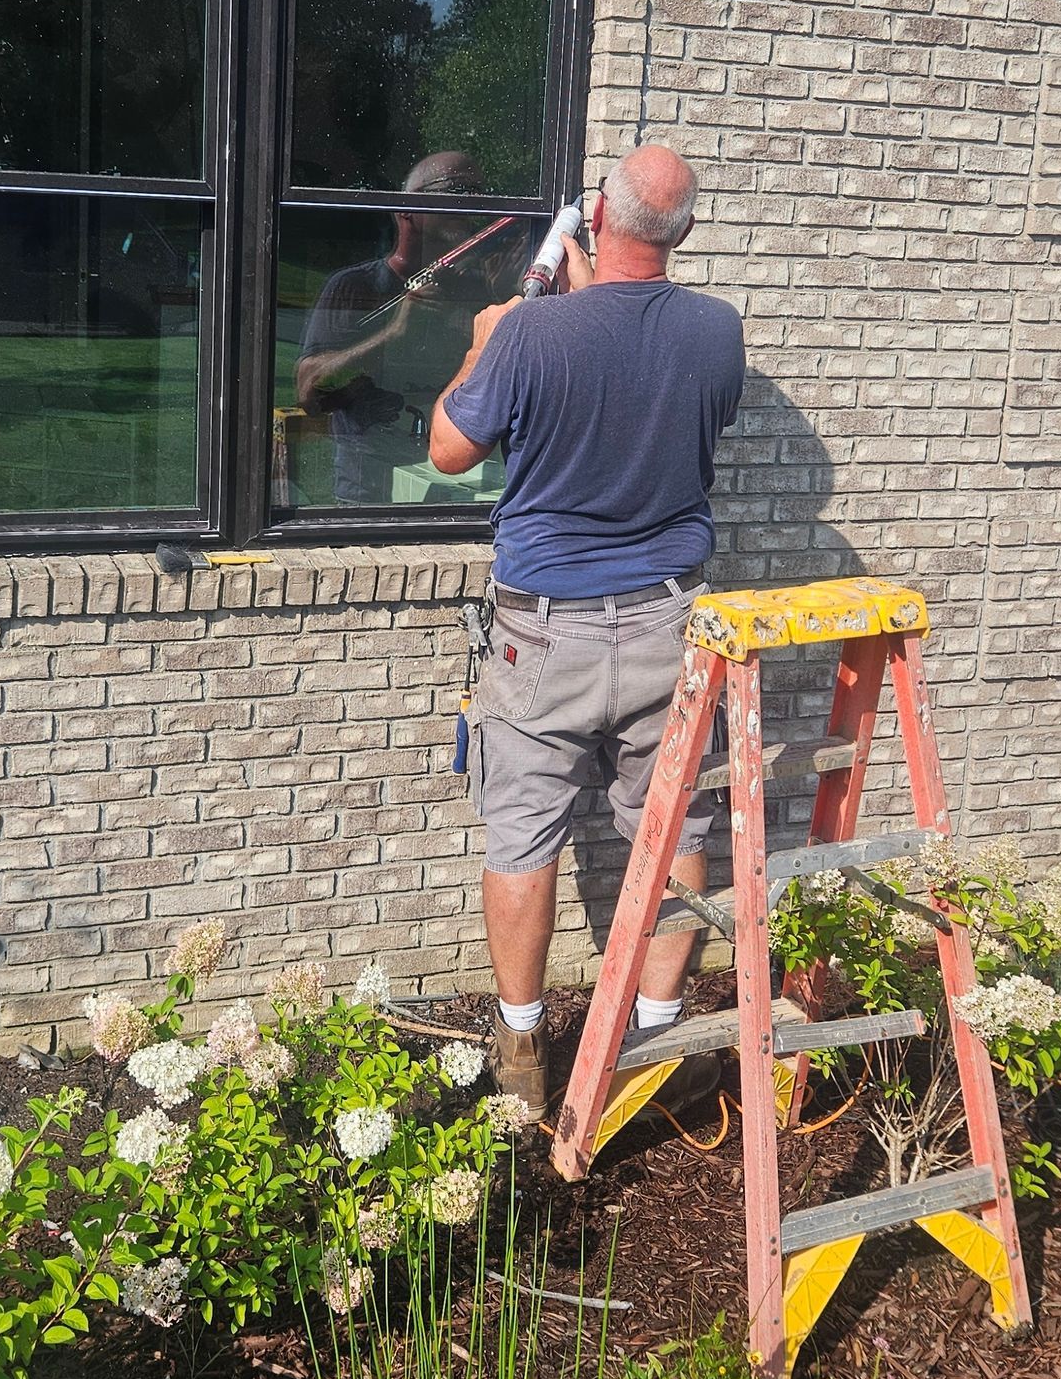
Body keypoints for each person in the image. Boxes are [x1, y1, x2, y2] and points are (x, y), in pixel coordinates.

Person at [427, 143, 746, 1118]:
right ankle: (655, 1037)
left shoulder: (528, 332)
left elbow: (448, 452)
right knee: (674, 823)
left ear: (595, 221)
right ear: (684, 231)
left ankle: (523, 1047)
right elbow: (659, 401)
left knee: (525, 834)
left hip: (544, 636)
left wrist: (488, 340)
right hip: (671, 623)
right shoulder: (718, 331)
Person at [295, 151, 515, 505]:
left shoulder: (479, 291)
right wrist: (394, 333)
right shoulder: (355, 287)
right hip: (368, 495)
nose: (471, 204)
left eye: (478, 193)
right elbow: (309, 394)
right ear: (406, 209)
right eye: (456, 190)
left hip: (464, 489)